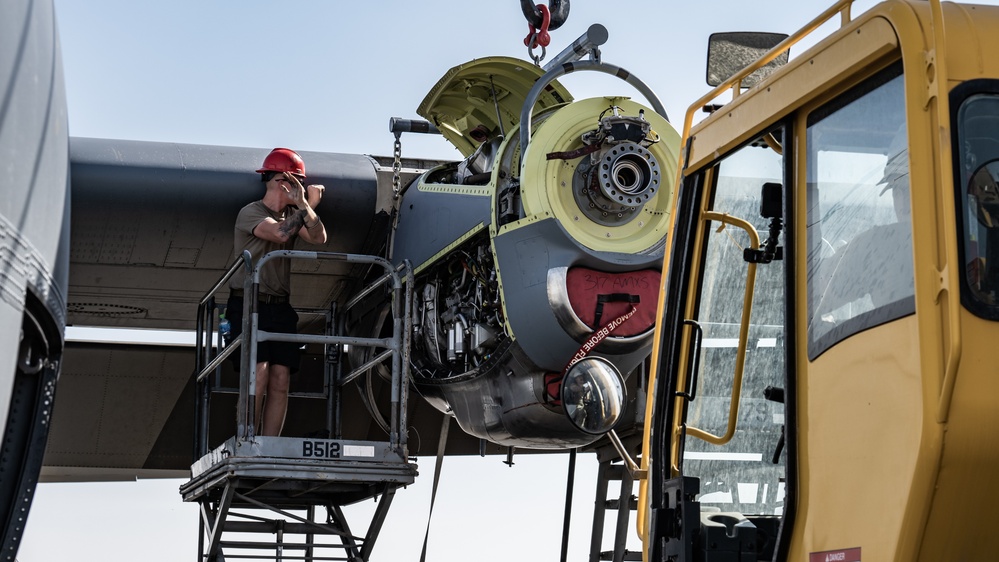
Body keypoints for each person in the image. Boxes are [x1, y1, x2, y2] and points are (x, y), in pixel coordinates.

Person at [226, 147, 326, 436]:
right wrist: (308, 207)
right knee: (258, 373)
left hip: (279, 307)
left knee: (281, 378)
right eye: (296, 182)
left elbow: (319, 238)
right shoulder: (252, 212)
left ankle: (268, 445)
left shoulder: (296, 214)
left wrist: (306, 208)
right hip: (247, 304)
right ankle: (248, 440)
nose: (300, 188)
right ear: (282, 181)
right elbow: (280, 232)